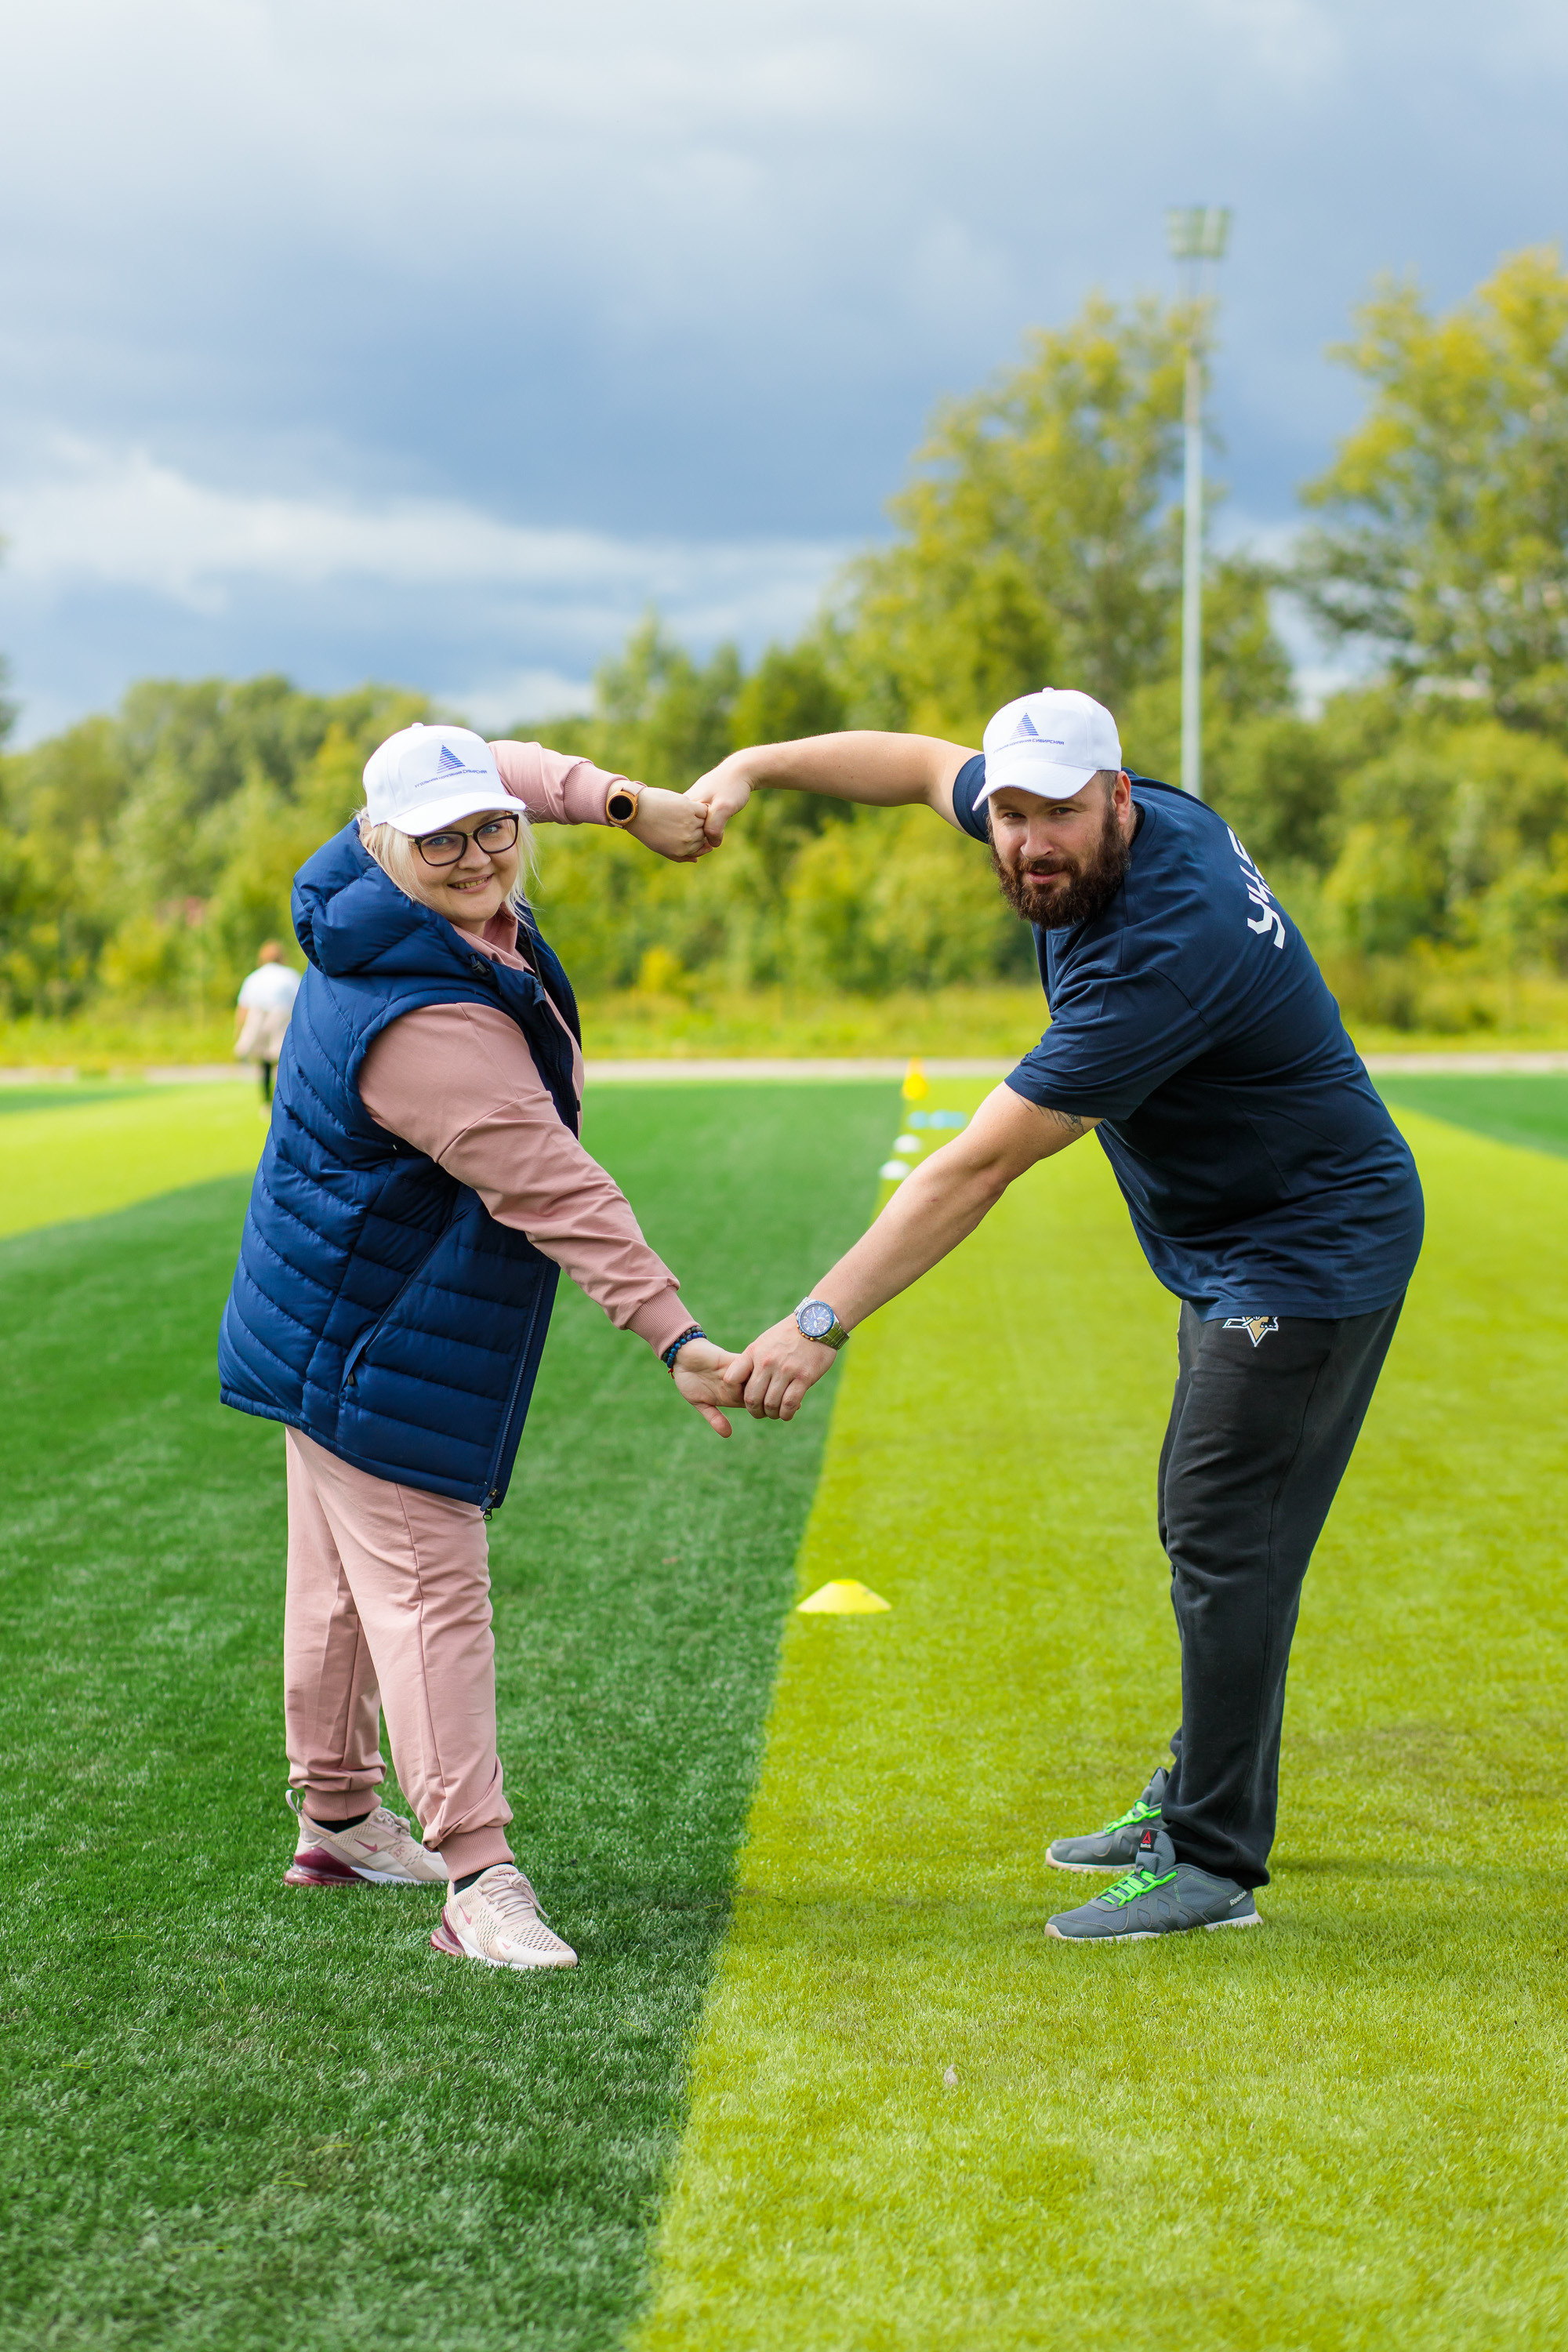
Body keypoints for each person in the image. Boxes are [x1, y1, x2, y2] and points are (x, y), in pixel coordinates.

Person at [686, 687, 1424, 1945]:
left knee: (1220, 1531)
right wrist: (755, 762)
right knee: (1235, 1533)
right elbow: (922, 764)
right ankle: (1195, 1799)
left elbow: (973, 1166)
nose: (1030, 840)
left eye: (1061, 816)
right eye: (1013, 813)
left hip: (1305, 1249)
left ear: (1121, 801)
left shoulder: (1162, 951)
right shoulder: (1069, 819)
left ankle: (1211, 1862)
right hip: (1246, 1240)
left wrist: (814, 1327)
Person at [219, 723, 736, 1973]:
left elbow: (506, 757)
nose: (476, 853)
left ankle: (338, 1817)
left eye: (490, 825)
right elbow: (556, 1189)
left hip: (322, 1305)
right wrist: (679, 1337)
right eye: (440, 836)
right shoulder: (424, 1025)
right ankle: (477, 1876)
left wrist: (624, 801)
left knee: (341, 1581)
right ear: (384, 842)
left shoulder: (365, 887)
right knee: (425, 1589)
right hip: (377, 1332)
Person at [234, 940, 299, 1103]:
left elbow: (243, 1006)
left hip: (258, 1017)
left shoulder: (254, 977)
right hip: (281, 1016)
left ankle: (266, 1098)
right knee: (282, 1058)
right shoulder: (289, 975)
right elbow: (300, 1002)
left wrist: (238, 1030)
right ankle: (284, 1096)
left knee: (264, 1060)